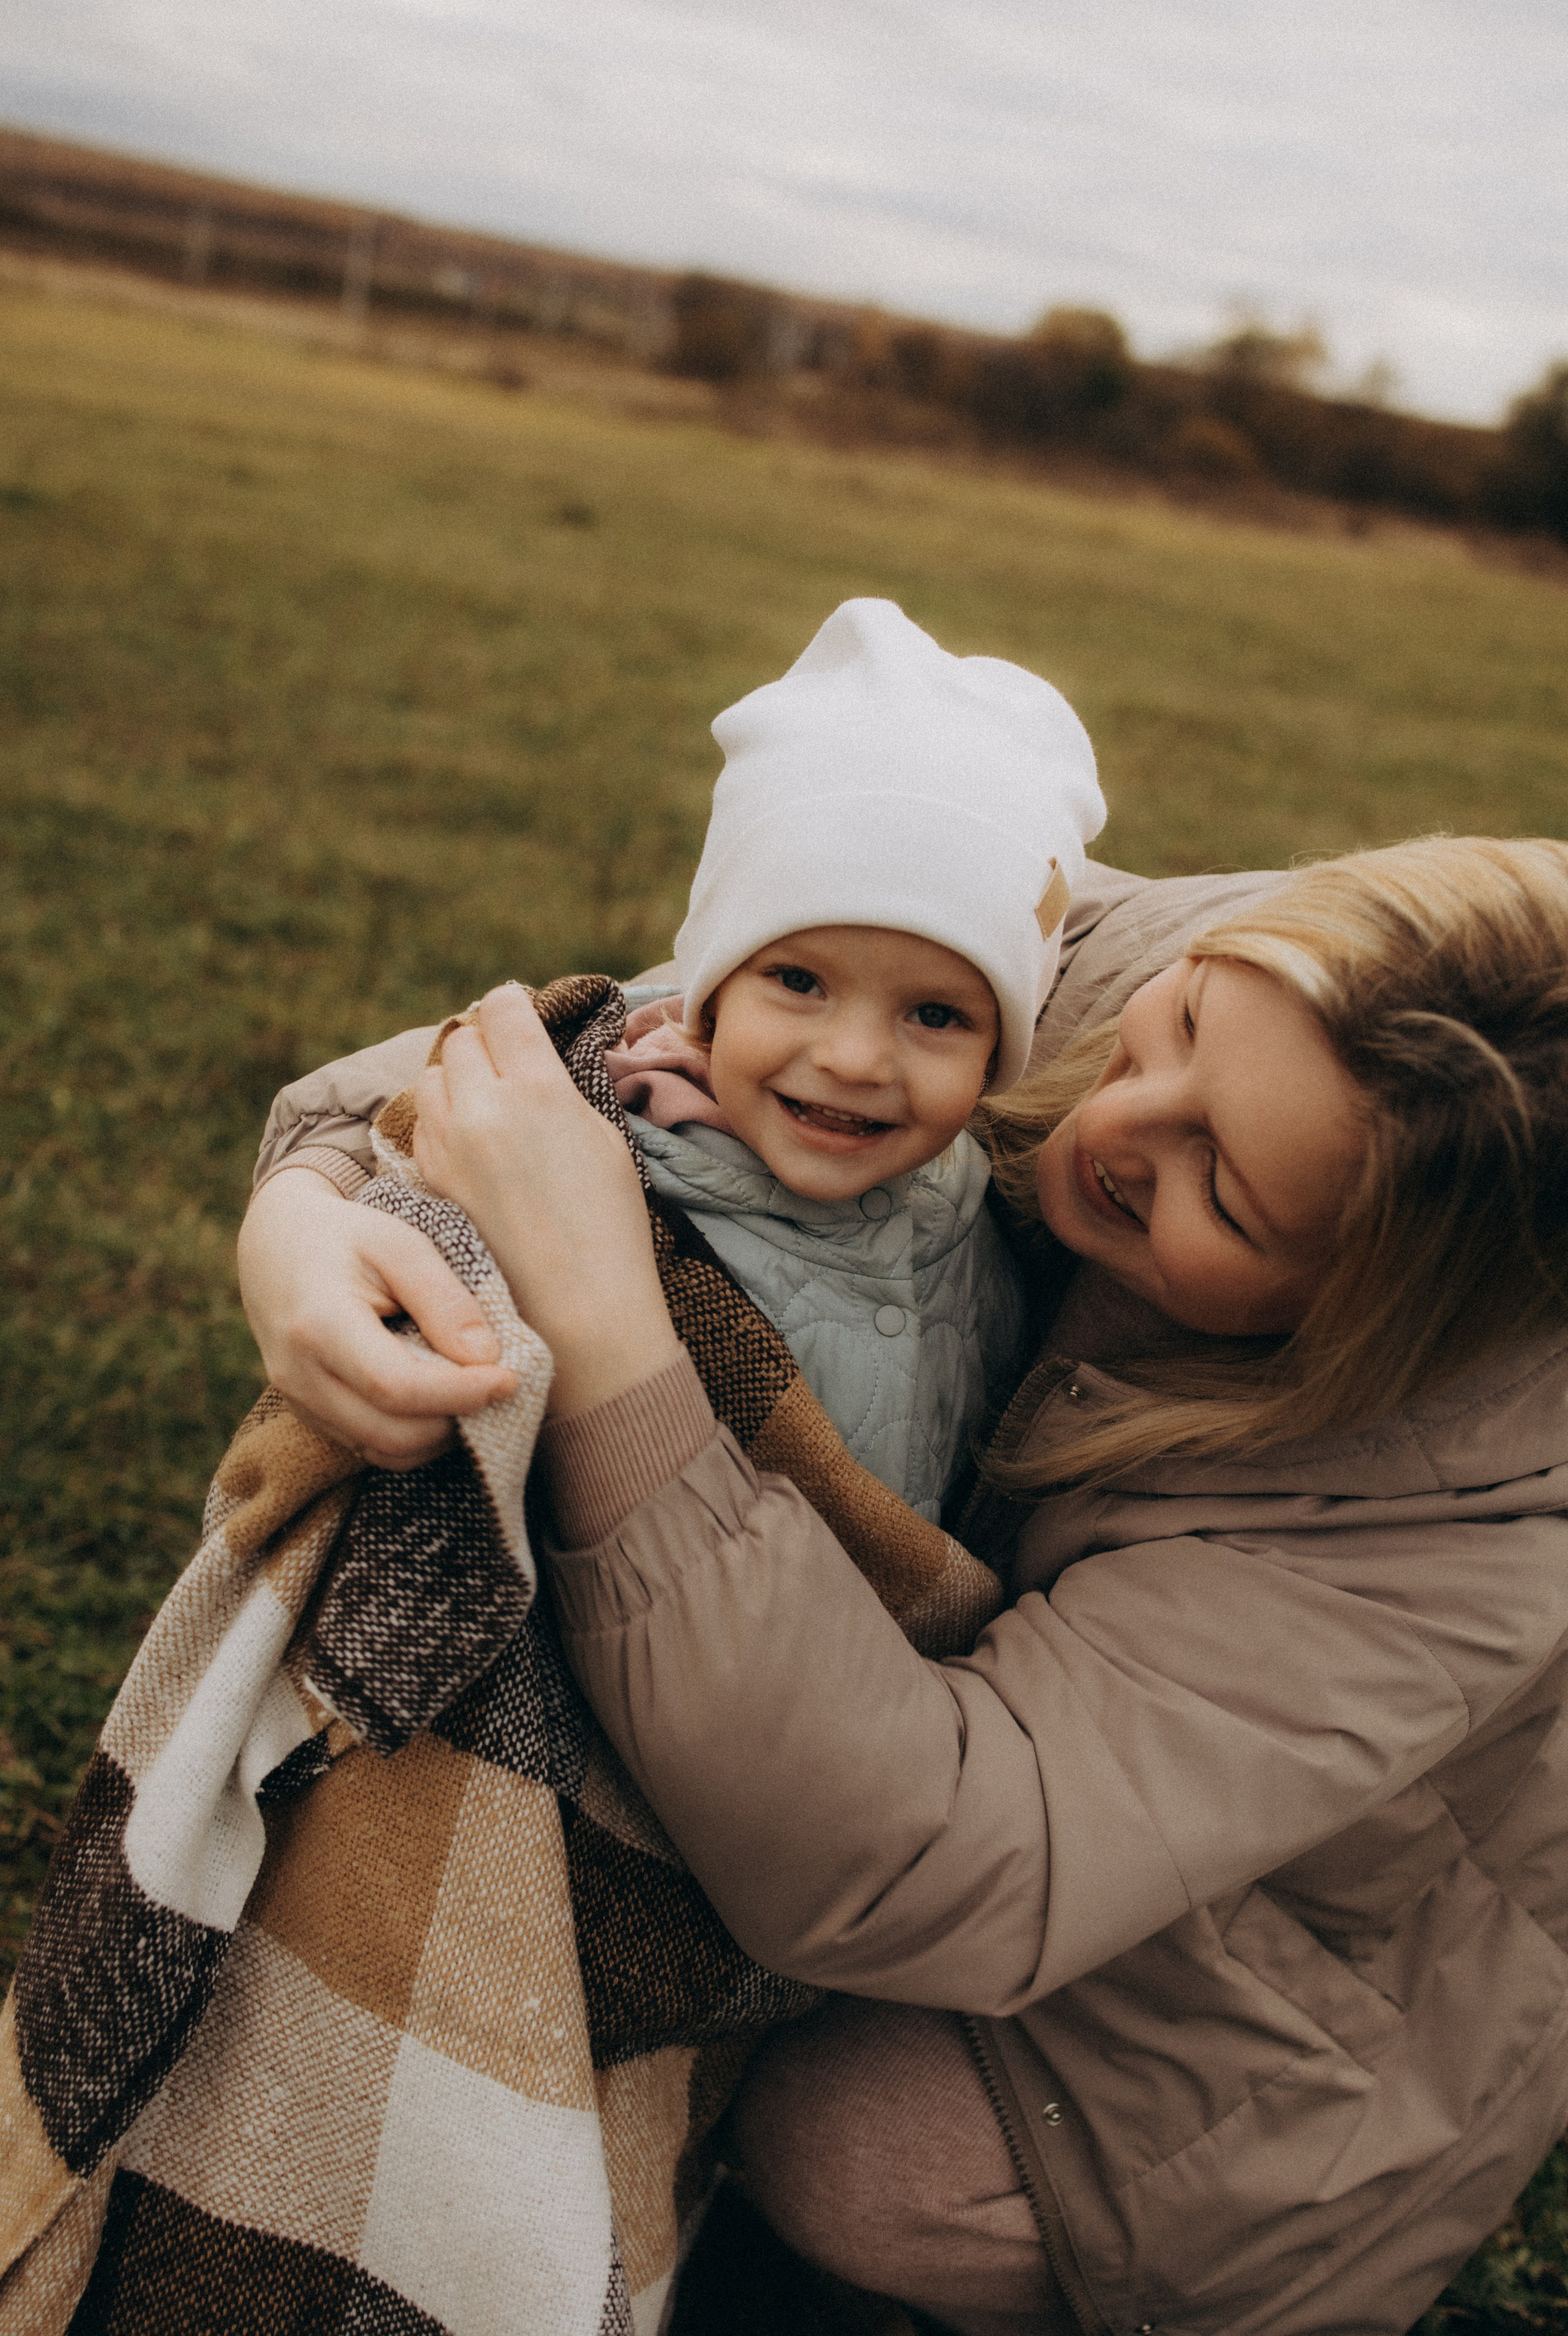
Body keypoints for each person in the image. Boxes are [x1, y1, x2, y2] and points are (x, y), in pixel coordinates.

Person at [241, 833, 1568, 2336]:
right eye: (1188, 1026)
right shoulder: (1180, 961)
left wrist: (605, 1322)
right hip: (1020, 1693)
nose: (1115, 1122)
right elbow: (629, 1034)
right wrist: (311, 1208)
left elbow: (919, 1863)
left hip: (1259, 2012)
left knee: (854, 2148)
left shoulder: (1470, 1520)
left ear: (1380, 1314)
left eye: (1226, 1190)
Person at [246, 595, 1105, 1518]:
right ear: (711, 994)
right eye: (800, 981)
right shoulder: (589, 1159)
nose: (855, 1060)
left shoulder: (980, 1203)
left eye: (935, 1014)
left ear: (998, 1051)